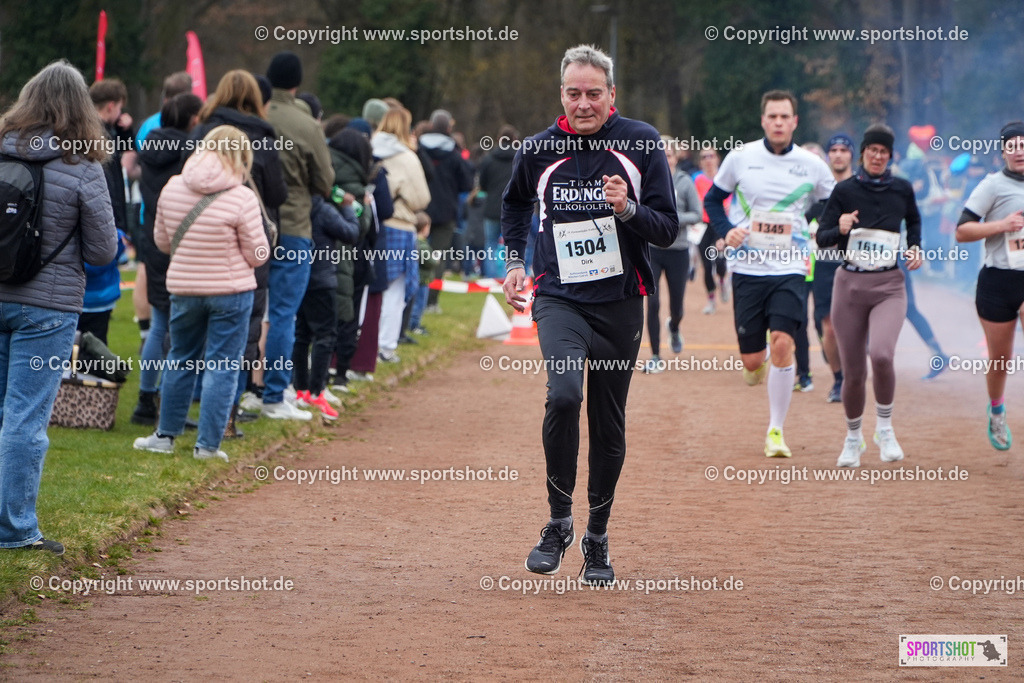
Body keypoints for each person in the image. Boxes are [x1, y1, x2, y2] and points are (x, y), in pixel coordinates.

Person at [503, 45, 677, 585]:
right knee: (563, 395)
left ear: (611, 95)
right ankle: (558, 522)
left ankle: (596, 537)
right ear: (561, 95)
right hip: (560, 299)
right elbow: (513, 205)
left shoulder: (641, 143)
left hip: (621, 302)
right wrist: (513, 261)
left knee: (607, 420)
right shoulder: (537, 150)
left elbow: (668, 228)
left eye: (593, 94)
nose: (583, 104)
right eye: (574, 94)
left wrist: (626, 209)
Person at [0, 60, 118, 554]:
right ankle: (16, 528)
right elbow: (102, 251)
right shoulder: (82, 166)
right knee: (25, 419)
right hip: (47, 307)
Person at [704, 90, 835, 458]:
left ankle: (775, 430)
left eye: (785, 117)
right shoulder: (742, 158)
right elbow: (713, 200)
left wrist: (815, 225)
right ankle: (753, 365)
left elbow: (833, 201)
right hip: (747, 268)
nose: (778, 122)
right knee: (753, 359)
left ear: (795, 122)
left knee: (783, 342)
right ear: (763, 120)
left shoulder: (812, 165)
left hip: (791, 267)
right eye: (772, 116)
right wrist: (724, 230)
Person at [133, 125, 269, 461]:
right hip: (231, 291)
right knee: (222, 365)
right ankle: (208, 445)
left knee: (180, 357)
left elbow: (163, 242)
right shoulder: (242, 196)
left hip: (185, 288)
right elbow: (257, 254)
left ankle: (165, 435)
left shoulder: (173, 187)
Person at [816, 124, 923, 467]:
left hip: (889, 285)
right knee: (854, 372)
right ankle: (852, 438)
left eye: (884, 152)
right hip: (849, 285)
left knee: (881, 355)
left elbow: (915, 222)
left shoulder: (902, 189)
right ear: (863, 154)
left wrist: (915, 248)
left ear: (891, 156)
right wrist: (841, 226)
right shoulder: (845, 190)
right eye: (872, 150)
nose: (878, 156)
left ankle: (886, 428)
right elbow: (822, 237)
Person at [190, 70, 288, 434]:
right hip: (247, 241)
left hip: (200, 238)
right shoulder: (262, 136)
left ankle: (185, 410)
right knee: (241, 330)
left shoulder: (201, 131)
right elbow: (277, 193)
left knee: (193, 329)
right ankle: (226, 417)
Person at [261, 52, 334, 420]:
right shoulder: (305, 124)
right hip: (292, 227)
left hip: (249, 225)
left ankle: (247, 389)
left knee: (251, 313)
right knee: (283, 314)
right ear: (296, 85)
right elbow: (325, 181)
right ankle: (275, 393)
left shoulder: (255, 115)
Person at [131, 92, 204, 426]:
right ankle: (169, 405)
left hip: (153, 236)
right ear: (192, 120)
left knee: (160, 323)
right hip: (184, 242)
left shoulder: (150, 147)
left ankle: (146, 400)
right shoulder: (190, 152)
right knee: (182, 331)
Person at [955, 121, 1024, 450]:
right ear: (1003, 153)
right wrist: (1003, 225)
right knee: (1001, 359)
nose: (1019, 150)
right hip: (997, 280)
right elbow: (962, 231)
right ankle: (996, 409)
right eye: (1012, 146)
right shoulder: (992, 186)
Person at [292, 190, 359, 420]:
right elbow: (351, 233)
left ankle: (300, 390)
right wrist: (349, 209)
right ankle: (316, 392)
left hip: (298, 277)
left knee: (301, 335)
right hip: (322, 280)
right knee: (325, 335)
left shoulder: (295, 206)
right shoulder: (324, 209)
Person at [372, 107, 431, 364]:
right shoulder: (407, 157)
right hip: (400, 225)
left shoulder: (370, 147)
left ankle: (365, 343)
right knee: (394, 291)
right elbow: (422, 198)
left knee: (370, 289)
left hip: (373, 224)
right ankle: (385, 346)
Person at [645, 137, 701, 373]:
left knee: (676, 306)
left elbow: (696, 214)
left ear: (676, 157)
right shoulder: (646, 180)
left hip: (678, 250)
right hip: (652, 250)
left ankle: (675, 326)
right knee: (653, 302)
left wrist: (672, 219)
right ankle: (656, 355)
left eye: (669, 155)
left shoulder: (685, 182)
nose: (665, 159)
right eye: (661, 155)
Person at [808, 134, 855, 402]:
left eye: (843, 150)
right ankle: (839, 380)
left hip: (858, 263)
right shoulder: (818, 194)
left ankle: (854, 370)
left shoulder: (862, 189)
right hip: (825, 264)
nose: (838, 155)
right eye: (833, 150)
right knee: (829, 326)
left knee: (857, 326)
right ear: (827, 157)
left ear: (852, 155)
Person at [420, 109, 474, 312]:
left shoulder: (419, 147)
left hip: (420, 209)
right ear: (449, 128)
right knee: (438, 257)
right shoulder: (454, 152)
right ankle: (431, 301)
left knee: (416, 254)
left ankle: (415, 298)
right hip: (446, 211)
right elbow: (467, 183)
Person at [477, 125, 518, 278]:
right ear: (514, 139)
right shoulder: (518, 158)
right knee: (512, 244)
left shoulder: (488, 159)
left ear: (498, 140)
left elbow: (483, 184)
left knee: (490, 244)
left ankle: (492, 278)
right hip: (513, 208)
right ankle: (508, 275)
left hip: (492, 207)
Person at [693, 148, 729, 314]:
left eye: (711, 156)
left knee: (720, 261)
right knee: (706, 265)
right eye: (704, 157)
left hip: (720, 224)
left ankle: (722, 280)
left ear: (717, 159)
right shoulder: (697, 179)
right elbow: (694, 199)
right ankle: (711, 300)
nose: (708, 160)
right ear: (700, 161)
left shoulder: (724, 177)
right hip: (703, 226)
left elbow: (731, 198)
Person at [408, 211, 438, 335]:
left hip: (419, 280)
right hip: (422, 281)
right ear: (425, 227)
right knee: (419, 305)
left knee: (417, 304)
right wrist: (435, 259)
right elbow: (429, 261)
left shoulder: (415, 241)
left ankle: (414, 324)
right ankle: (414, 325)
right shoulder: (421, 244)